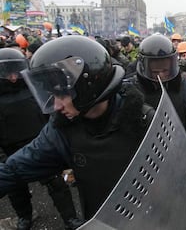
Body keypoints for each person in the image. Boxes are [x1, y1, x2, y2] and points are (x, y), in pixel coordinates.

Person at [0, 36, 153, 222]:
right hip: (101, 223)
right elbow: (14, 170)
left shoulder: (143, 120)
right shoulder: (61, 131)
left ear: (87, 87)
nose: (56, 106)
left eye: (62, 94)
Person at [0, 48, 82, 230]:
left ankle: (70, 218)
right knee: (16, 189)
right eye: (7, 73)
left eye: (16, 72)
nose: (13, 78)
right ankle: (24, 217)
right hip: (10, 148)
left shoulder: (34, 88)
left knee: (56, 185)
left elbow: (52, 115)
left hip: (41, 144)